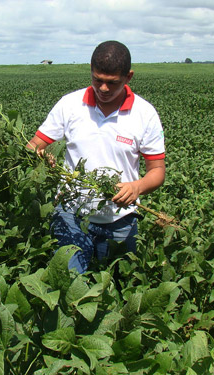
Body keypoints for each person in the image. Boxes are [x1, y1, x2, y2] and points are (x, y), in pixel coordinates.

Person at [27, 41, 166, 274]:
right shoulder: (70, 104)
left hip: (120, 220)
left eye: (112, 83)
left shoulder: (145, 114)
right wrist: (43, 159)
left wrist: (137, 187)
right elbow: (33, 146)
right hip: (70, 213)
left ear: (128, 77)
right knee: (69, 283)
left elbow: (157, 171)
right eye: (97, 80)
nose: (103, 88)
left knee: (117, 287)